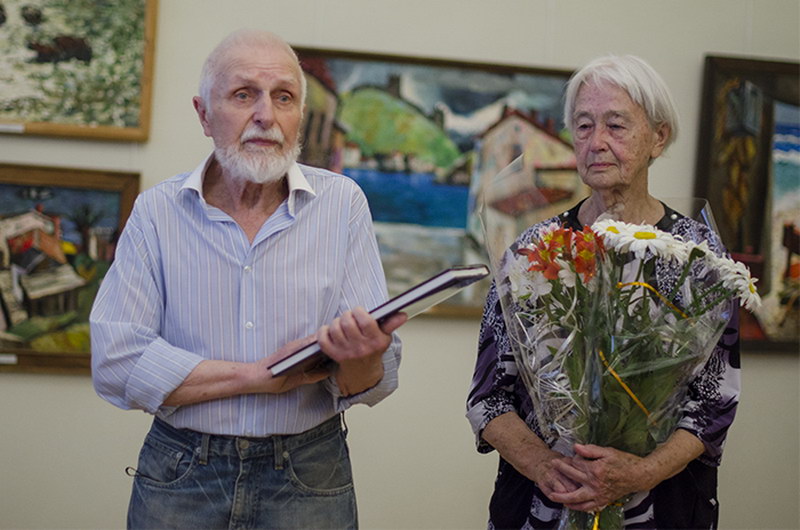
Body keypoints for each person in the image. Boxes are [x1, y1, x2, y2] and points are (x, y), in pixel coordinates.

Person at [90, 28, 406, 529]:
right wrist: (257, 378)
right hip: (182, 471)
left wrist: (363, 353)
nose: (266, 115)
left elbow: (373, 382)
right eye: (244, 95)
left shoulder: (343, 204)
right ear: (203, 114)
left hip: (309, 470)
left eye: (284, 97)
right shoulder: (157, 211)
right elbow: (116, 361)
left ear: (299, 114)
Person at [466, 55, 740, 529]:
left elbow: (716, 399)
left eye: (616, 125)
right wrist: (545, 465)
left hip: (661, 508)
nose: (597, 143)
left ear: (659, 137)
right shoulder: (535, 252)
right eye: (584, 125)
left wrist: (638, 472)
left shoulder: (699, 254)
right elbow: (488, 397)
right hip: (544, 506)